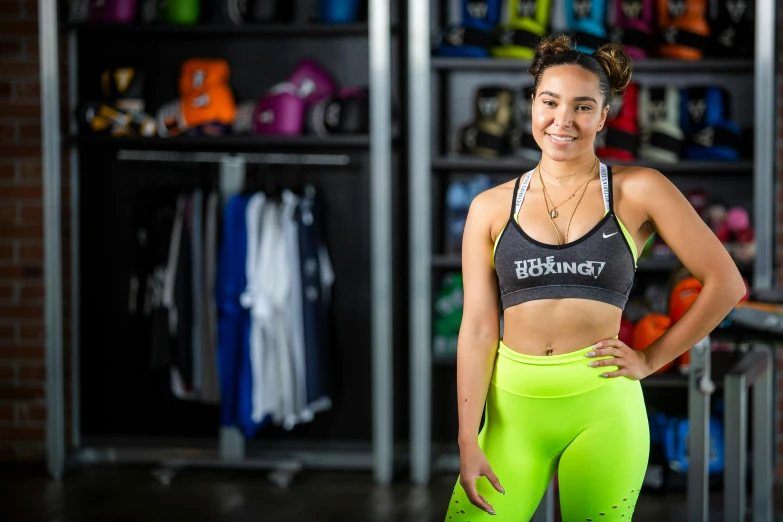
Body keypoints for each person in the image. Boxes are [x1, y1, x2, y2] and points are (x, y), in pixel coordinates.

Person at [446, 35, 747, 522]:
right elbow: (479, 328)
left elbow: (726, 283)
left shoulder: (639, 190)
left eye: (582, 106)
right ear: (532, 106)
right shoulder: (490, 207)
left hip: (604, 410)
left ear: (604, 117)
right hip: (511, 415)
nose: (563, 119)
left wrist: (651, 359)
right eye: (550, 102)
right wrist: (467, 435)